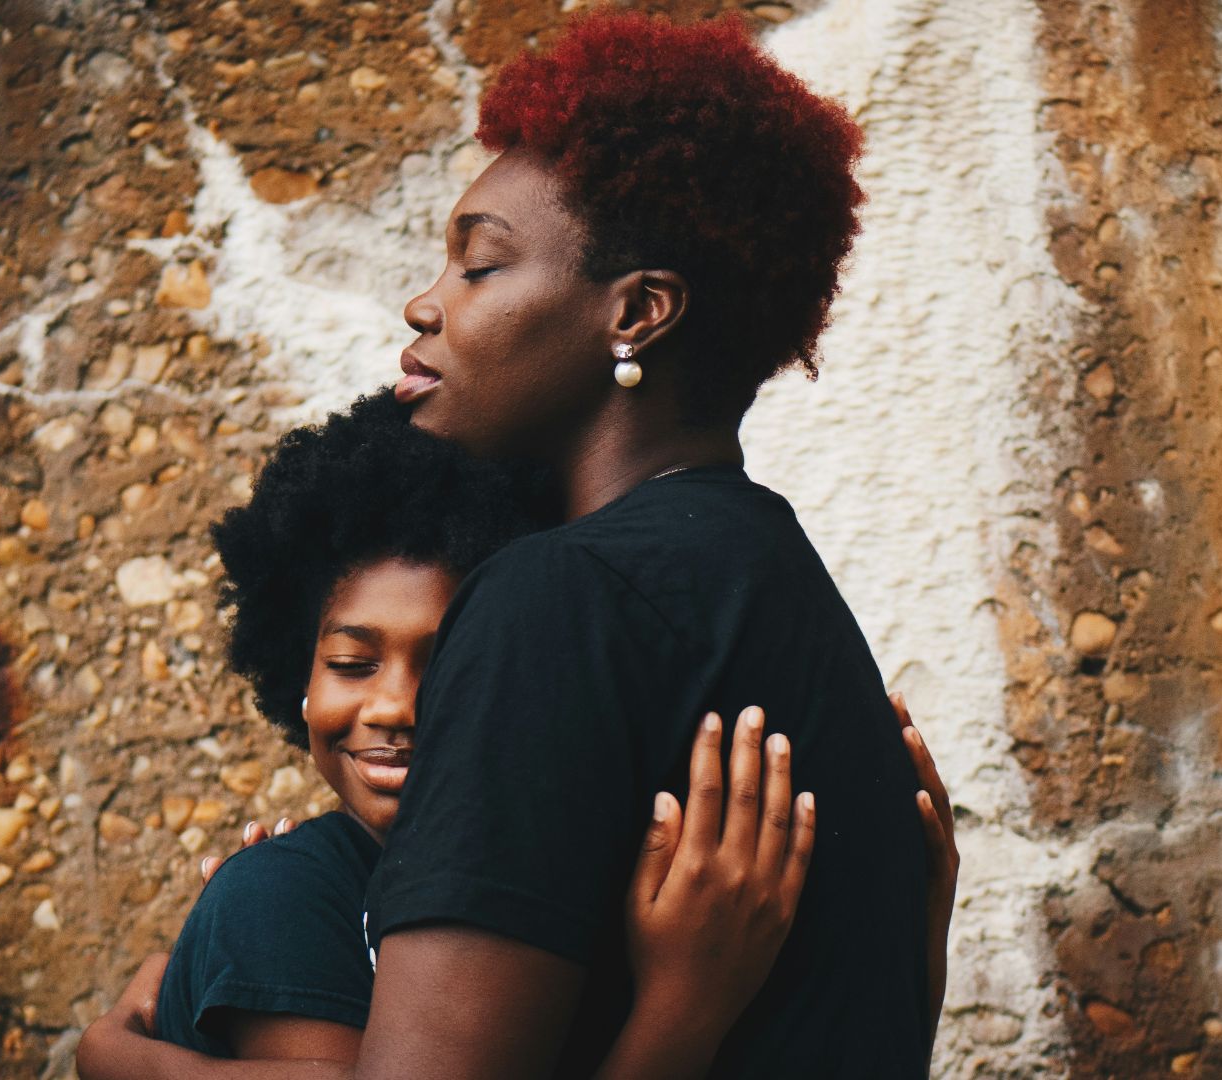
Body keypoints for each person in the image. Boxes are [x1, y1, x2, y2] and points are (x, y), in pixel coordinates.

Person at [81, 10, 958, 1077]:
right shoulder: (782, 589)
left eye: (480, 267)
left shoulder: (555, 599)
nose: (426, 303)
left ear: (636, 313)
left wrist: (128, 1062)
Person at [131, 391, 822, 1075]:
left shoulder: (557, 880)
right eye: (351, 663)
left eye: (452, 665)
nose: (396, 706)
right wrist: (685, 1005)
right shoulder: (281, 898)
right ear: (299, 678)